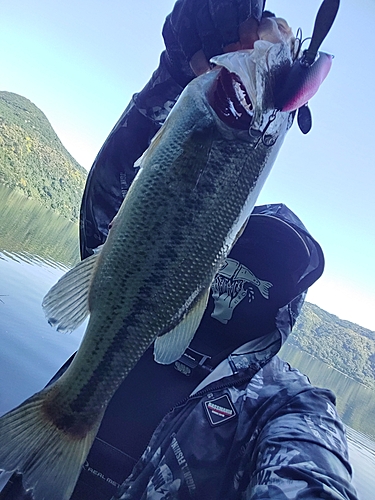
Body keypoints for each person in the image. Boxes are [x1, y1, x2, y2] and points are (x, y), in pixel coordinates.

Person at [0, 1, 359, 499]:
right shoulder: (152, 312)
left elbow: (314, 479)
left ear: (287, 306)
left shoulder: (290, 406)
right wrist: (173, 75)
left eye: (270, 274)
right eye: (246, 256)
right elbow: (112, 193)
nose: (245, 280)